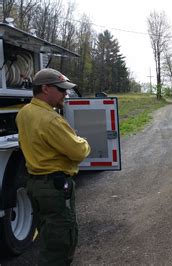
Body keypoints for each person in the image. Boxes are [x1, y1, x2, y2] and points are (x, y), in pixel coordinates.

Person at [16, 68, 91, 265]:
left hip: (35, 185)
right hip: (54, 188)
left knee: (48, 234)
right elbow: (78, 151)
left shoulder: (24, 113)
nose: (65, 94)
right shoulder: (51, 119)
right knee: (61, 243)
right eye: (61, 89)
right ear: (45, 88)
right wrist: (82, 141)